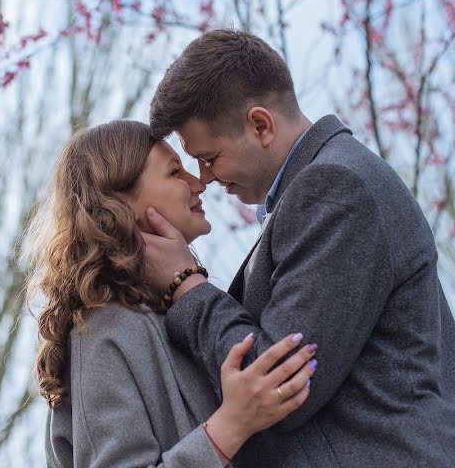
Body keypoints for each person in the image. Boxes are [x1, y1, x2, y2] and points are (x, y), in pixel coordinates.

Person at [141, 29, 455, 467]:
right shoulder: (320, 189)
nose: (206, 178)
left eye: (210, 157)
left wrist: (188, 285)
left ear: (260, 125)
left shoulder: (334, 188)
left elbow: (276, 384)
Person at [26, 120, 318, 468]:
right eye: (175, 172)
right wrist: (230, 426)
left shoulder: (169, 317)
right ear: (118, 202)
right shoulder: (104, 330)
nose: (198, 184)